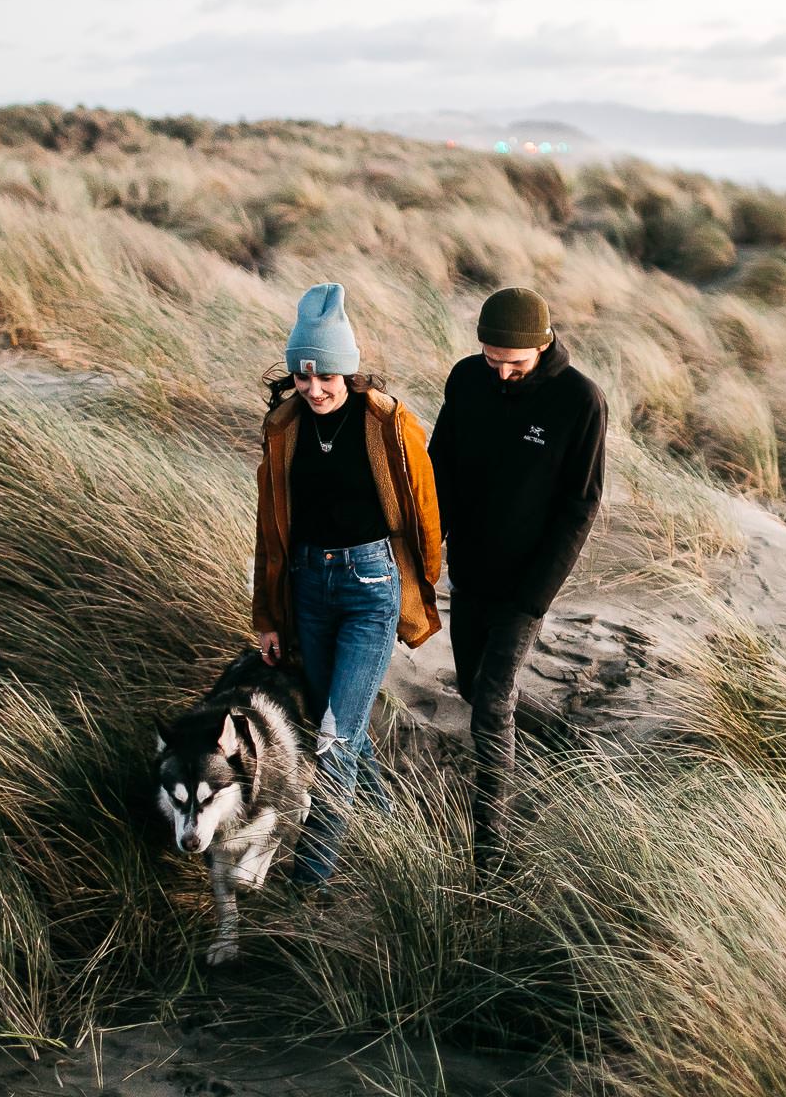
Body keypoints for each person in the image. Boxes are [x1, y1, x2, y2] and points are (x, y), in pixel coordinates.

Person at [251, 282, 442, 886]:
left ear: (349, 371)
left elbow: (425, 509)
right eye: (304, 378)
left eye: (326, 376)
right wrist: (268, 617)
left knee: (334, 736)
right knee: (343, 725)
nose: (314, 389)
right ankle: (392, 826)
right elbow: (271, 530)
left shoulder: (387, 422)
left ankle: (311, 875)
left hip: (370, 587)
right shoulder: (283, 427)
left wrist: (422, 582)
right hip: (308, 586)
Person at [427, 285, 607, 874]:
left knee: (492, 700)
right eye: (491, 360)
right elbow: (441, 464)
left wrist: (536, 596)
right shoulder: (466, 379)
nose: (501, 373)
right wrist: (434, 541)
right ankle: (555, 734)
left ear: (543, 345)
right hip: (470, 568)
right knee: (473, 687)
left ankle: (491, 842)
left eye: (515, 364)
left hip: (527, 581)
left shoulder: (579, 401)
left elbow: (579, 507)